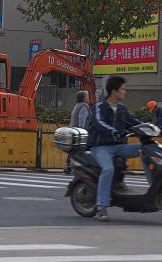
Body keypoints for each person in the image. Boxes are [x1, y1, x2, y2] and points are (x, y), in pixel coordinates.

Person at [87, 76, 149, 222]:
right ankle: (101, 206)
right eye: (122, 89)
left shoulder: (122, 108)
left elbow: (133, 122)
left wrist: (149, 127)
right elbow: (98, 122)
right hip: (101, 147)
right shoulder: (99, 107)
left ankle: (154, 187)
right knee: (108, 169)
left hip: (119, 147)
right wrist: (112, 130)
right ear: (114, 91)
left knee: (146, 149)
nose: (124, 92)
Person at [64, 90, 91, 174]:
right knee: (80, 149)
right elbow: (81, 119)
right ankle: (75, 166)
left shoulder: (77, 105)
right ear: (84, 98)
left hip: (73, 130)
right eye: (87, 96)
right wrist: (82, 132)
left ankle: (69, 166)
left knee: (74, 149)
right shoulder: (84, 106)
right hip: (79, 132)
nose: (88, 98)